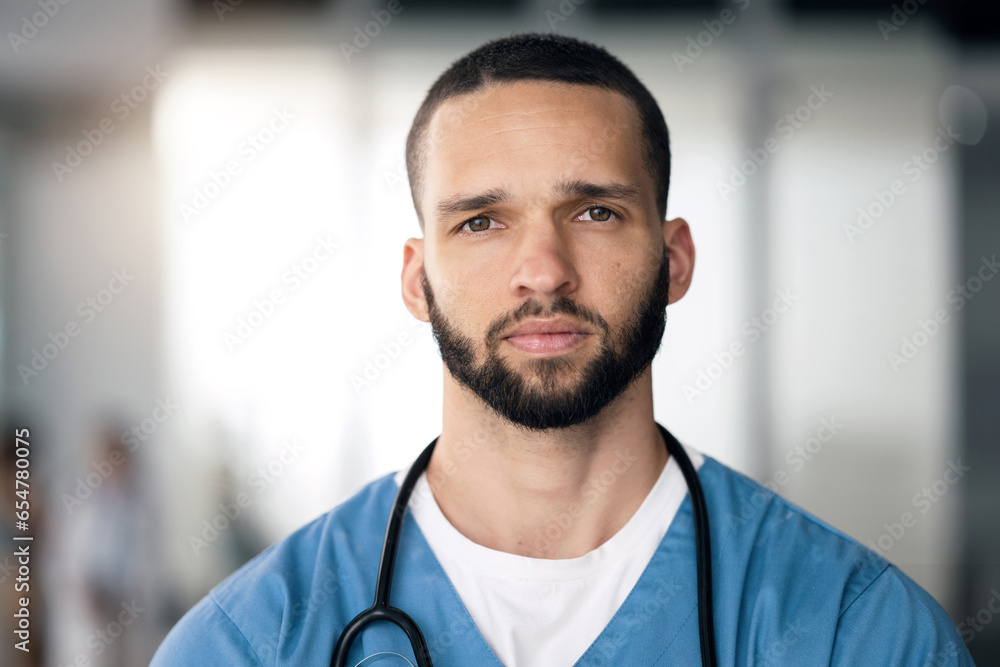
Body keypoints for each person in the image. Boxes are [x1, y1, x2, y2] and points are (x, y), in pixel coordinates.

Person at [151, 33, 974, 666]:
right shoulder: (247, 643)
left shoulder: (854, 631)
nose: (542, 269)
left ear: (675, 259)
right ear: (416, 280)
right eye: (481, 220)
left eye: (594, 212)